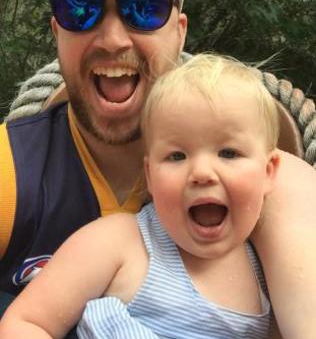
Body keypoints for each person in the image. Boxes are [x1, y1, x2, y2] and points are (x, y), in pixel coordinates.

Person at [0, 0, 316, 337]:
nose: (112, 38)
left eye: (144, 6)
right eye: (79, 5)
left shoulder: (276, 185)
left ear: (179, 31)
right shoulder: (10, 171)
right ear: (57, 31)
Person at [0, 53, 282, 338]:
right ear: (149, 174)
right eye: (176, 156)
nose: (202, 173)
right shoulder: (118, 242)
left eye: (228, 153)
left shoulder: (269, 272)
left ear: (268, 172)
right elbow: (25, 323)